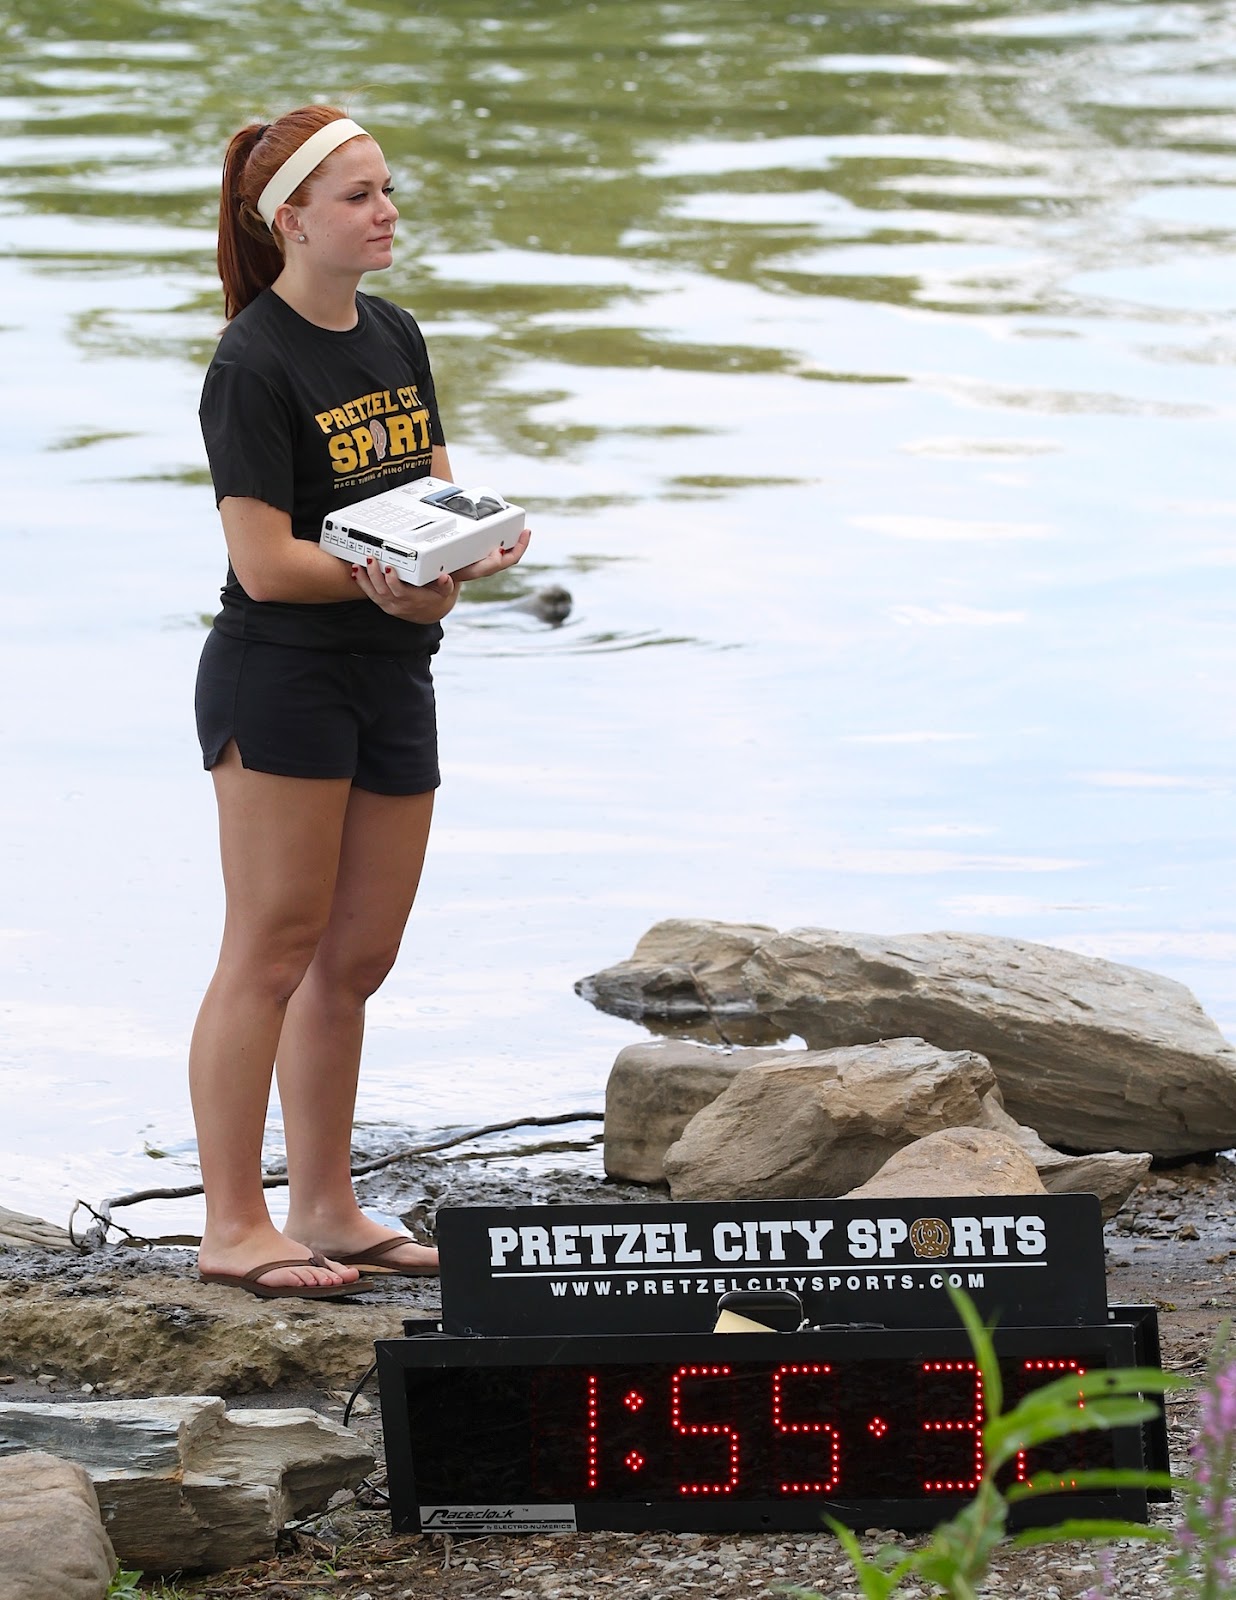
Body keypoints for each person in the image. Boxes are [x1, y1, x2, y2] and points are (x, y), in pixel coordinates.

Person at [190, 105, 528, 1299]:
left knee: (358, 957)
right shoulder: (252, 363)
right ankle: (234, 1223)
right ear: (291, 220)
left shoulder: (394, 333)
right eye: (360, 196)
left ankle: (326, 1205)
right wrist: (387, 582)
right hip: (282, 675)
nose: (387, 212)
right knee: (272, 948)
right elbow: (264, 563)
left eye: (387, 190)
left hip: (393, 670)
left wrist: (461, 562)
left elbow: (434, 493)